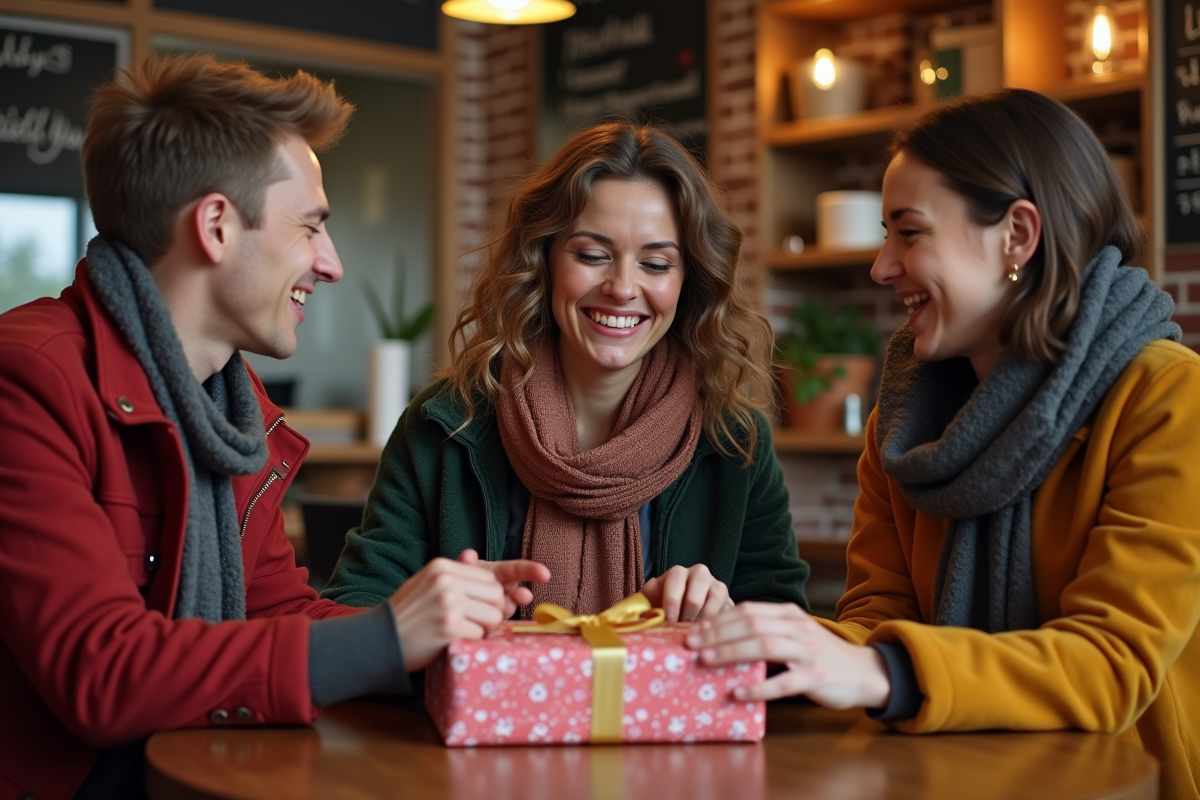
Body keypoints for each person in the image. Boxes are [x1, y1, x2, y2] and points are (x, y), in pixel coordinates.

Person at [0, 54, 546, 800]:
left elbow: (276, 613)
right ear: (218, 225)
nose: (333, 264)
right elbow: (101, 674)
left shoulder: (231, 407)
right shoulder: (27, 380)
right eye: (312, 227)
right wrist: (388, 638)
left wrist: (447, 633)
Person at [687, 88, 1200, 798]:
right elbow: (879, 618)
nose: (882, 267)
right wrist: (764, 647)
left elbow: (1114, 665)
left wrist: (883, 671)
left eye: (909, 232)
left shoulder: (1167, 397)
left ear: (1017, 236)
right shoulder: (902, 423)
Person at [321, 121, 809, 622]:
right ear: (544, 259)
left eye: (657, 264)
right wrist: (430, 614)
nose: (622, 287)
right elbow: (354, 610)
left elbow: (786, 634)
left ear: (690, 281)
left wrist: (727, 617)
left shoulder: (735, 443)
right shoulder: (445, 423)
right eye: (593, 255)